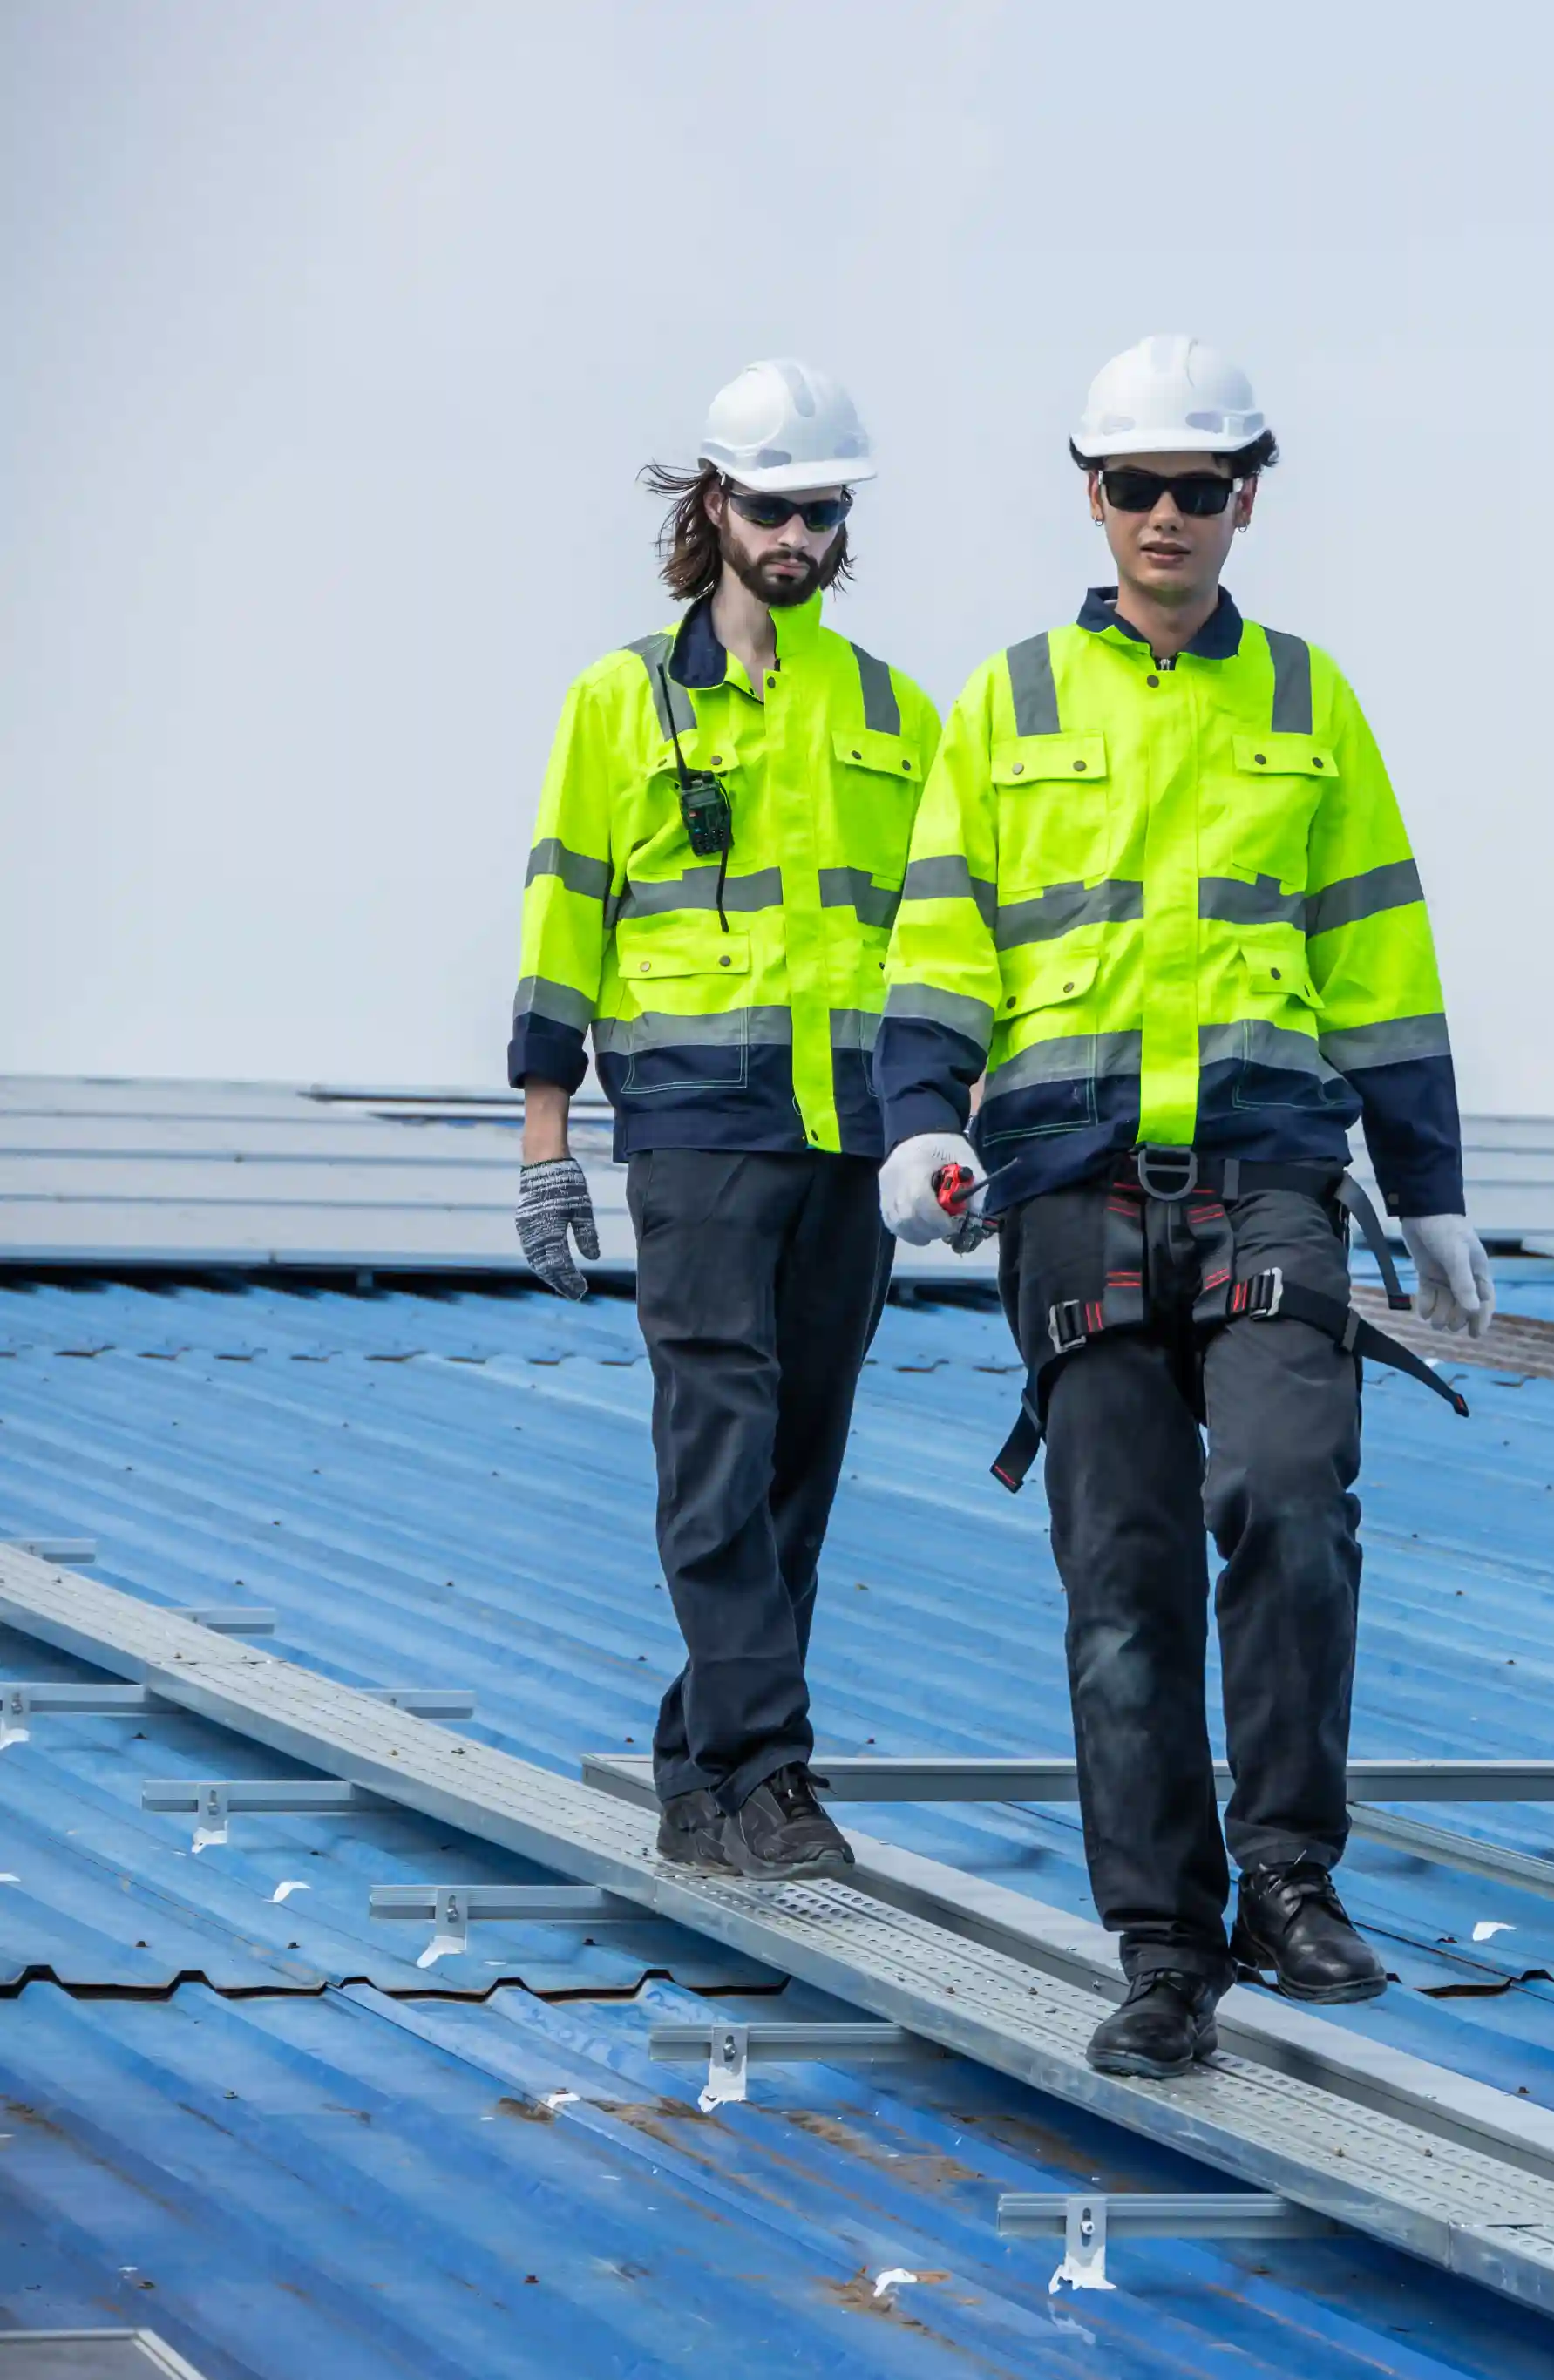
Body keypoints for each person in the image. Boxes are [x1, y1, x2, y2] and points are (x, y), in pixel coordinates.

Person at [872, 333, 1493, 2076]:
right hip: (1066, 1188)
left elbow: (1379, 958)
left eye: (1197, 489)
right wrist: (916, 1126)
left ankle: (1287, 1878)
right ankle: (1162, 1950)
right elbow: (937, 945)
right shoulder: (1005, 704)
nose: (1164, 515)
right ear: (1089, 492)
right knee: (1121, 1576)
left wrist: (1429, 1189)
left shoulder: (1308, 704)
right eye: (1134, 485)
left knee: (1289, 1495)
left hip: (1271, 1180)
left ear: (1244, 500)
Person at [508, 359, 941, 1882]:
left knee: (795, 1468)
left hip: (849, 1138)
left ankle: (697, 1774)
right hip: (692, 1134)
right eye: (773, 506)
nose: (799, 535)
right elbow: (565, 923)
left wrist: (946, 1132)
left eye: (824, 511)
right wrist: (545, 1147)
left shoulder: (898, 714)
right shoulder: (618, 702)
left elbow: (944, 944)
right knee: (720, 1442)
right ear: (714, 504)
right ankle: (771, 1770)